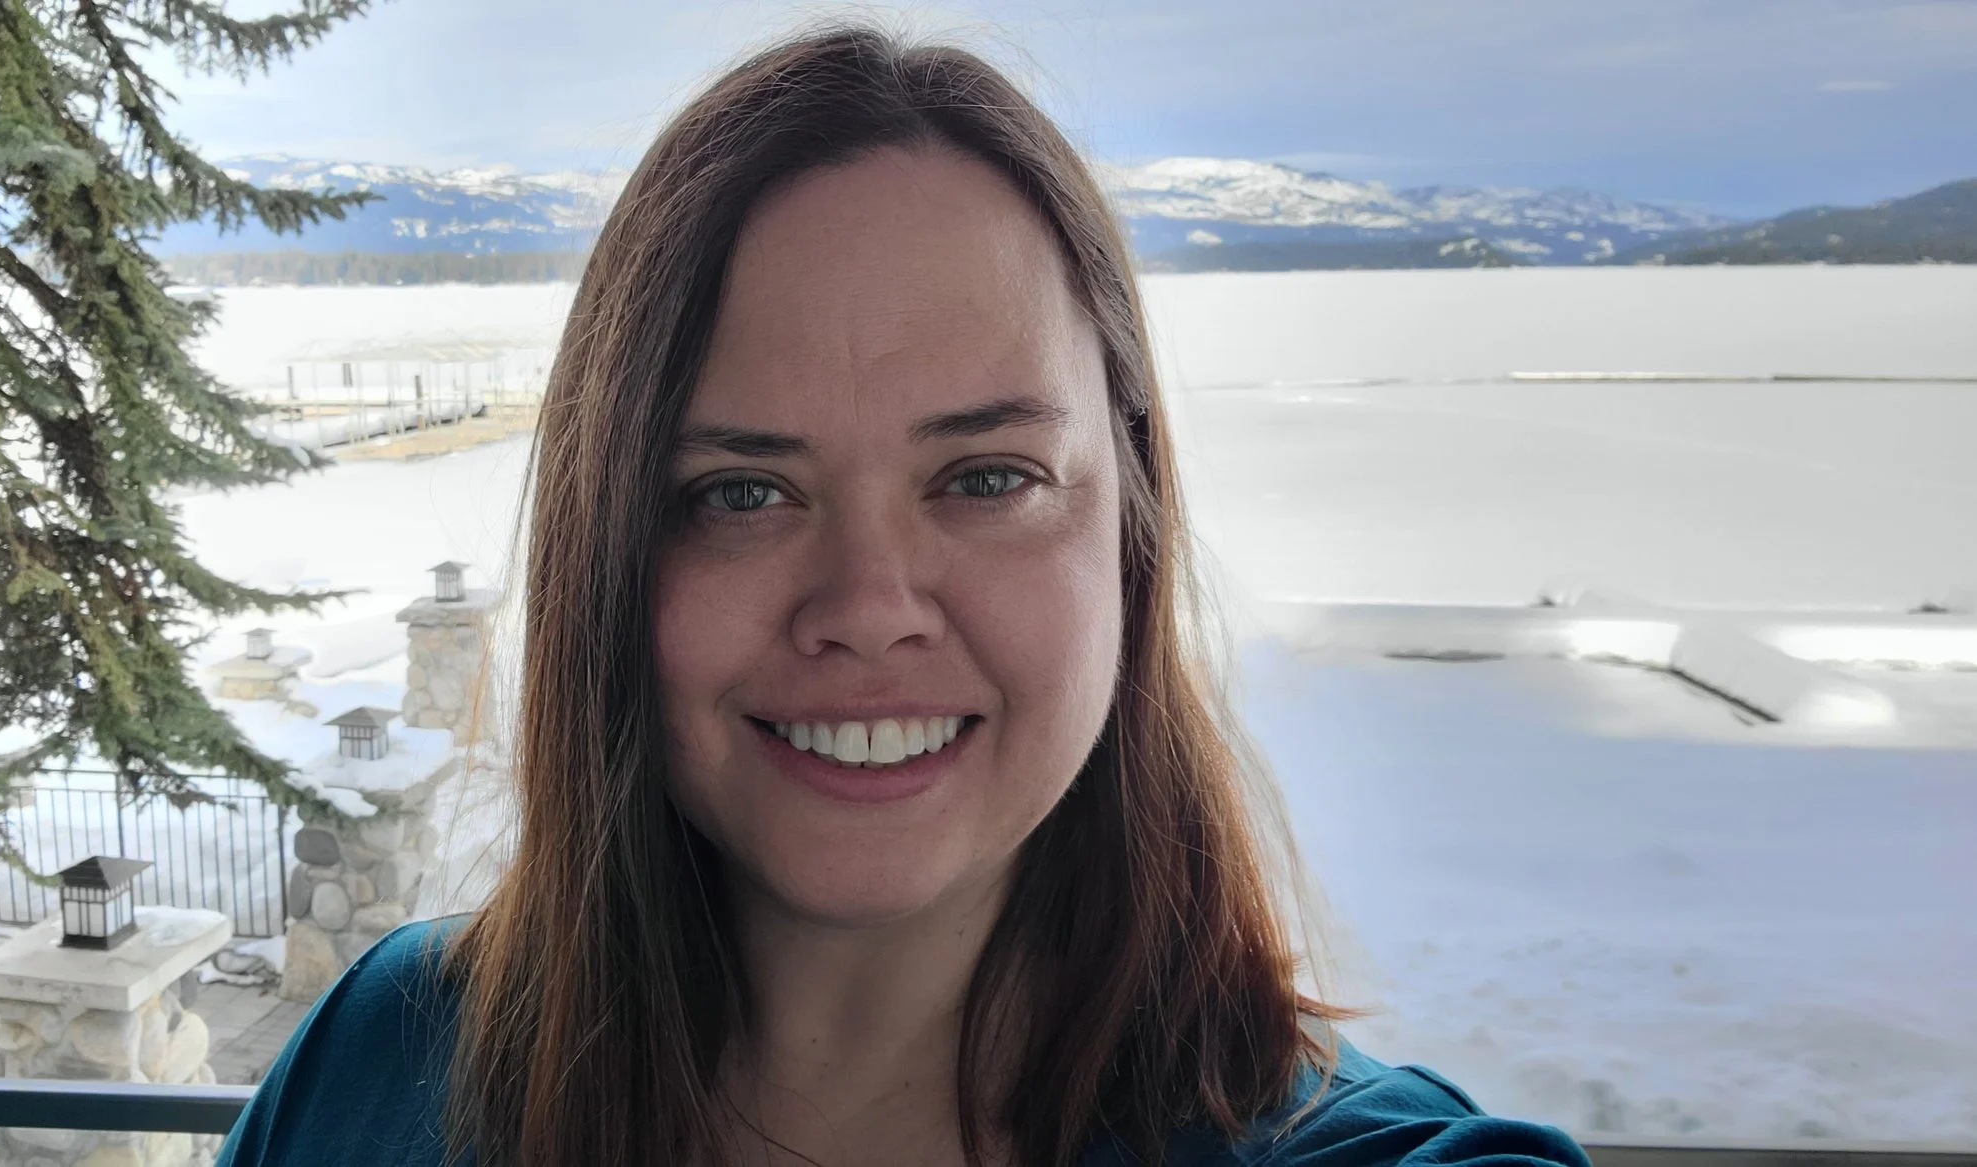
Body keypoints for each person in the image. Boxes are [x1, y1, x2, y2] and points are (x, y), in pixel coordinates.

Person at [218, 25, 1592, 1167]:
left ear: (1132, 521)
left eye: (987, 478)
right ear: (609, 557)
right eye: (741, 493)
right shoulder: (382, 1062)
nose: (870, 607)